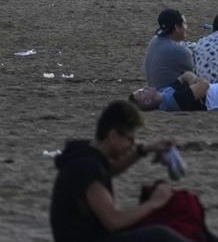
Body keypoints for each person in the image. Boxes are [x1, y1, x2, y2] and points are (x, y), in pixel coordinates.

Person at [49, 100, 193, 241]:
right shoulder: (87, 167)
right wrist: (154, 202)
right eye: (130, 139)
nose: (132, 145)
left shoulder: (85, 154)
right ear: (113, 136)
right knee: (161, 235)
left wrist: (144, 149)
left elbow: (110, 170)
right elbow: (114, 221)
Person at [144, 9, 196, 89]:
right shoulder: (180, 51)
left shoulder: (154, 40)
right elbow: (195, 74)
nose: (186, 27)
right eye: (184, 24)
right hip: (168, 97)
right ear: (177, 27)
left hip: (153, 91)